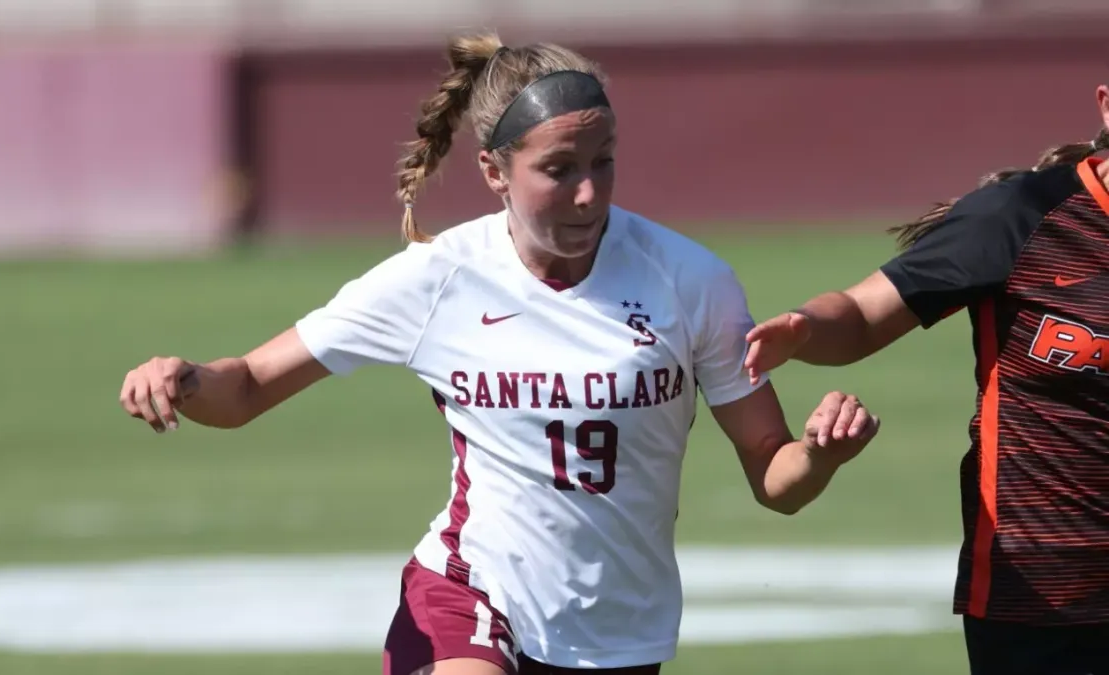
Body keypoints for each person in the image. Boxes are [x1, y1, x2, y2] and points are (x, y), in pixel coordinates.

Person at [119, 32, 881, 675]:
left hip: (620, 629)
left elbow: (774, 475)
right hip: (470, 592)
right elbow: (248, 385)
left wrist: (820, 452)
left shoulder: (691, 281)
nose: (589, 194)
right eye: (558, 170)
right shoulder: (439, 277)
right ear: (494, 172)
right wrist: (185, 379)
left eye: (602, 162)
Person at [742, 85, 1109, 675]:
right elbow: (862, 316)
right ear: (1106, 105)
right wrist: (806, 329)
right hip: (1038, 600)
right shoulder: (1020, 218)